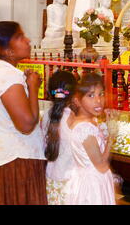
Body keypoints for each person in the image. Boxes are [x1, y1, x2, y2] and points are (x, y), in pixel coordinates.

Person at [0, 21, 47, 205]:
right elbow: (26, 124)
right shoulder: (9, 75)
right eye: (19, 37)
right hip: (18, 159)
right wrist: (33, 87)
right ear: (5, 50)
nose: (27, 40)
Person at [65, 73, 115, 205]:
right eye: (91, 95)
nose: (99, 100)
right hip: (93, 185)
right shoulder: (85, 129)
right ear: (77, 100)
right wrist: (112, 137)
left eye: (101, 94)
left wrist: (105, 124)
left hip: (87, 179)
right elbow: (101, 165)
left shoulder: (86, 120)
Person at [41, 70, 78, 205]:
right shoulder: (74, 120)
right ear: (74, 95)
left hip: (51, 179)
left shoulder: (46, 115)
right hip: (71, 182)